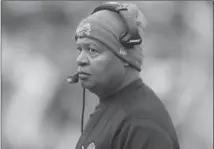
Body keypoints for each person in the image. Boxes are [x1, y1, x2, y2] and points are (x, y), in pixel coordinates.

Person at [72, 2, 180, 149]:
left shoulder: (143, 123)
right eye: (80, 49)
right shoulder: (110, 108)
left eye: (92, 50)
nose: (80, 59)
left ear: (124, 57)